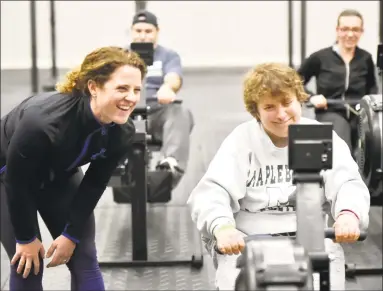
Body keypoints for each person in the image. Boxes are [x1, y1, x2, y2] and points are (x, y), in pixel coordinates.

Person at [187, 63, 370, 290]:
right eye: (270, 107)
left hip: (313, 238)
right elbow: (212, 191)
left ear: (299, 100)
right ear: (257, 111)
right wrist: (222, 227)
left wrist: (349, 214)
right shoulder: (242, 140)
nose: (281, 114)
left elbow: (347, 183)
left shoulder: (320, 136)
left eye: (286, 103)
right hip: (248, 240)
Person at [0, 46, 146, 291]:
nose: (131, 97)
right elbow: (17, 183)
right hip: (7, 179)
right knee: (28, 265)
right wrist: (26, 238)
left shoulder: (122, 131)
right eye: (122, 88)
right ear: (93, 87)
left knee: (83, 256)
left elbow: (95, 183)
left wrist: (71, 234)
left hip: (59, 174)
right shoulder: (43, 123)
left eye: (136, 90)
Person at [297, 9, 378, 154]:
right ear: (337, 30)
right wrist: (311, 97)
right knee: (342, 142)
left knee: (371, 146)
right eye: (345, 29)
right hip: (330, 111)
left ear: (361, 31)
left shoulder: (366, 58)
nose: (350, 34)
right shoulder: (320, 57)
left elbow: (372, 89)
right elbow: (295, 81)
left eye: (355, 29)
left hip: (359, 114)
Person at [129, 10, 194, 188]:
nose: (143, 36)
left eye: (148, 31)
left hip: (156, 109)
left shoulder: (168, 56)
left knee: (180, 112)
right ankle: (114, 163)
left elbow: (174, 75)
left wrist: (167, 87)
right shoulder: (120, 55)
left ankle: (170, 164)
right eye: (138, 31)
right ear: (131, 32)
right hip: (126, 110)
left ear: (157, 32)